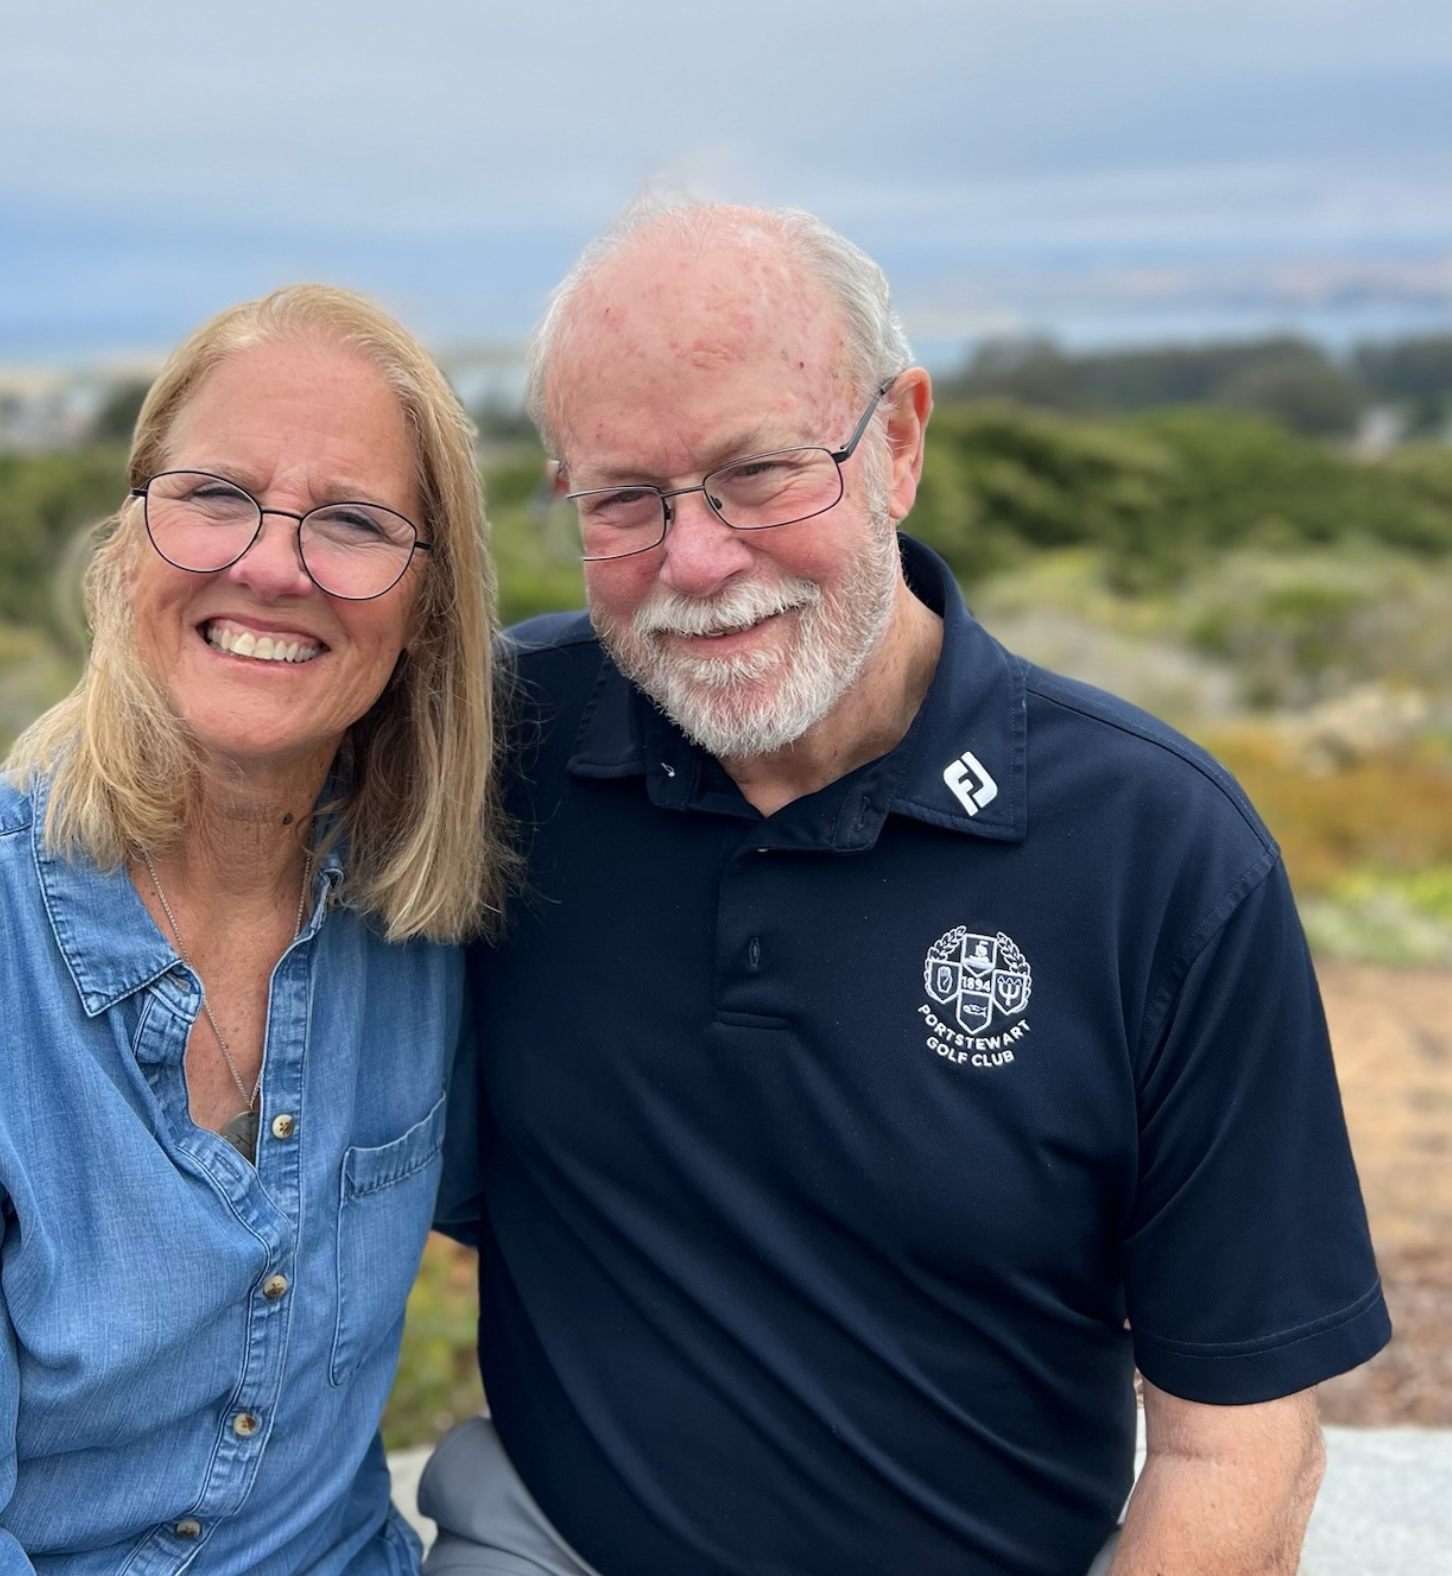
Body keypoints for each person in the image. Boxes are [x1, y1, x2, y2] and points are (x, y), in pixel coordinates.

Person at [423, 205, 1390, 1576]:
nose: (697, 562)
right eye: (625, 499)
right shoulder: (493, 752)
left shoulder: (1161, 853)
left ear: (899, 442)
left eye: (760, 473)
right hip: (552, 1546)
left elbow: (1235, 1445)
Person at [0, 284, 509, 1576]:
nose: (270, 563)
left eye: (351, 522)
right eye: (215, 497)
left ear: (425, 611)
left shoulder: (417, 920)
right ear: (130, 544)